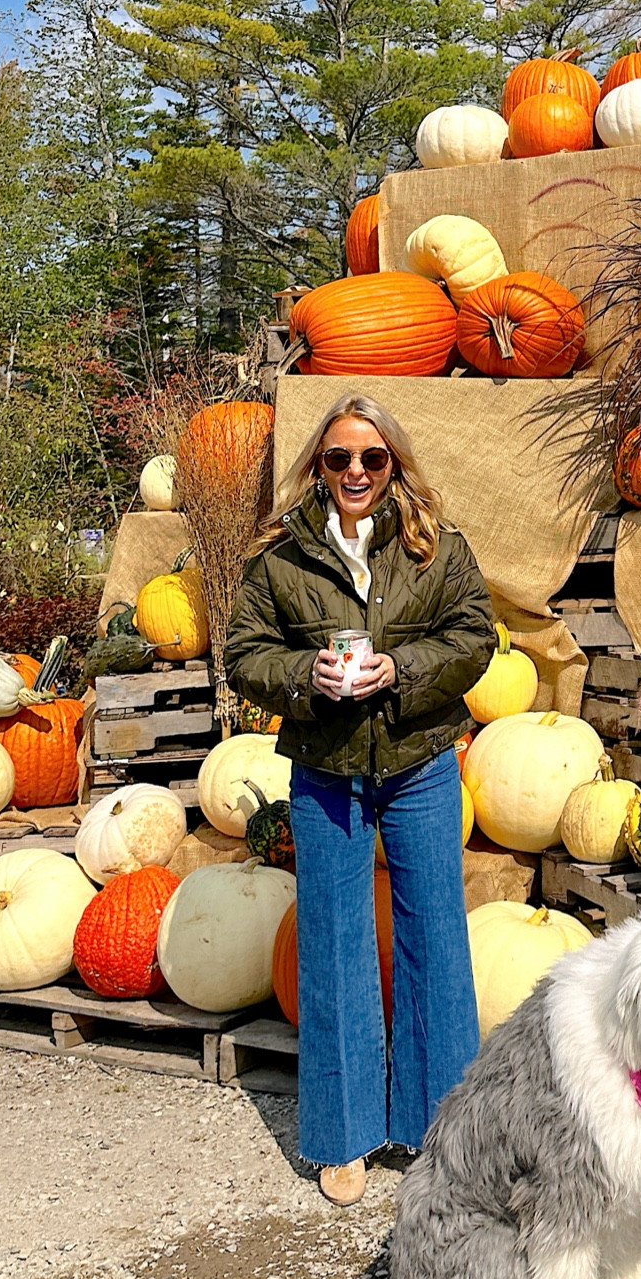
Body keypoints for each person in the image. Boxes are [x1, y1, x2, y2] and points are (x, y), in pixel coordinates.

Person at [228, 393, 496, 1206]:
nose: (354, 472)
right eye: (338, 457)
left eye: (371, 459)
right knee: (335, 943)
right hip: (324, 765)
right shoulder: (280, 556)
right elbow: (244, 652)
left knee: (434, 942)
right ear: (318, 464)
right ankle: (343, 1137)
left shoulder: (435, 547)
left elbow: (475, 636)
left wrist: (401, 670)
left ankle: (443, 1131)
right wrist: (302, 677)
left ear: (393, 465)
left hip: (417, 761)